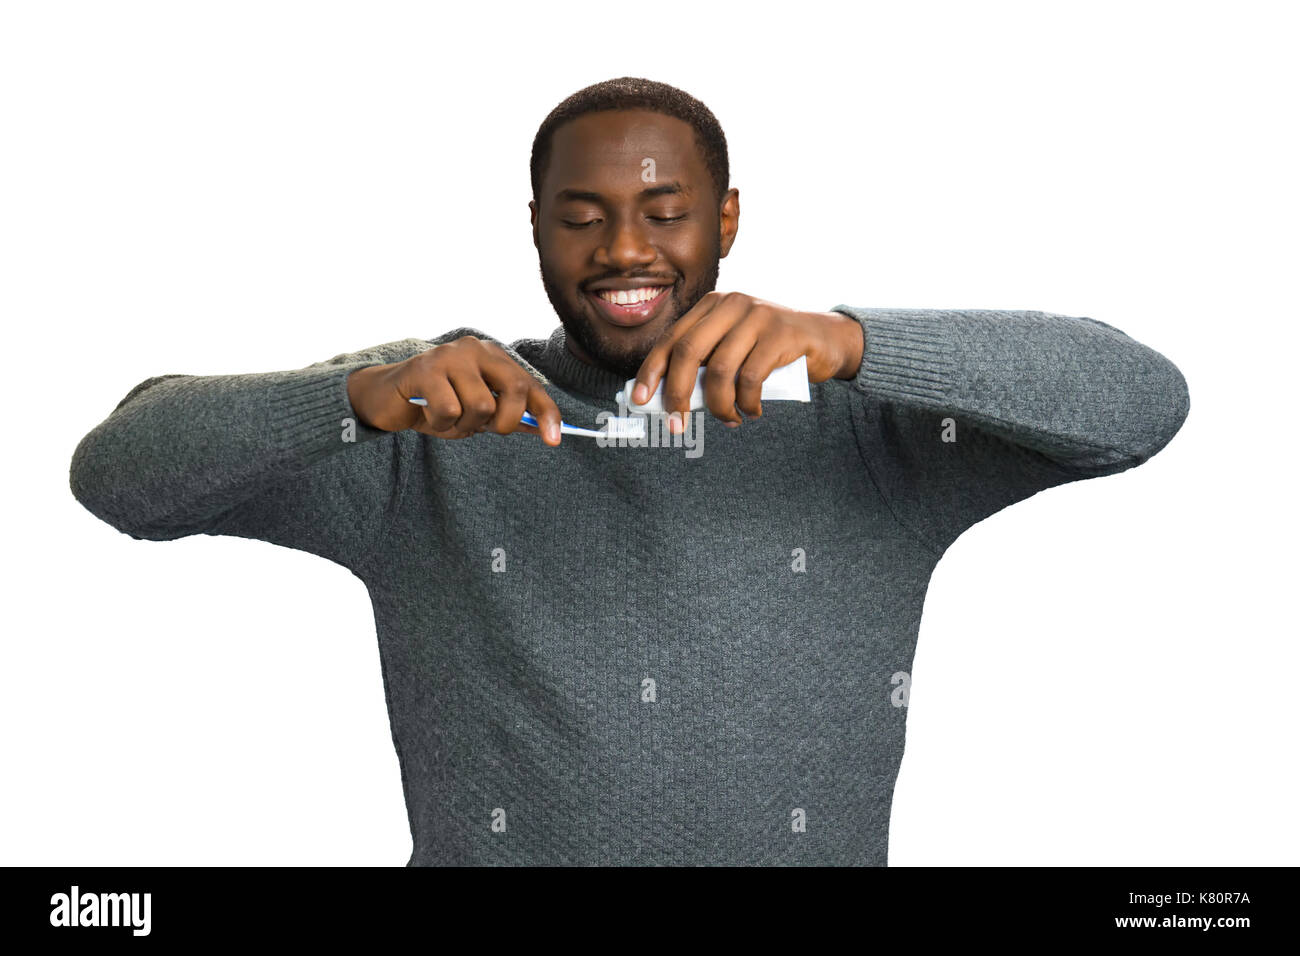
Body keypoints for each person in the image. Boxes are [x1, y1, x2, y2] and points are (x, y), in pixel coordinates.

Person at [69, 76, 1190, 866]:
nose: (623, 251)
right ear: (535, 229)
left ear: (727, 220)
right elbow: (120, 476)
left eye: (665, 212)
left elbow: (1140, 403)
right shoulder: (428, 414)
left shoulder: (864, 428)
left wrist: (856, 341)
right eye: (582, 217)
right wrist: (346, 399)